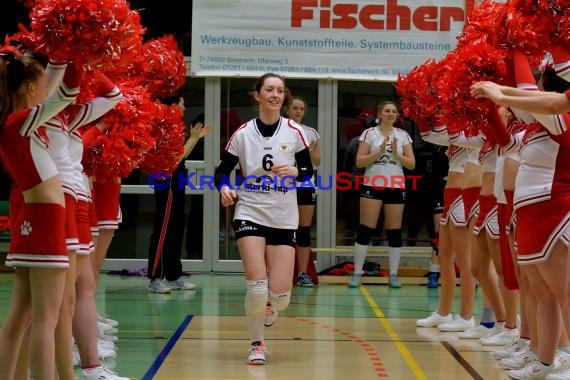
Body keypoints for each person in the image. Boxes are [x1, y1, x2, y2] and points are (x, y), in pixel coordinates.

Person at [214, 73, 313, 365]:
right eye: (269, 89)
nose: (275, 95)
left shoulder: (295, 132)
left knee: (280, 296)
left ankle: (273, 306)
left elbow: (308, 173)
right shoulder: (243, 133)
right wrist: (224, 188)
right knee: (257, 287)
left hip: (283, 215)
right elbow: (222, 171)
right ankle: (257, 344)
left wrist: (296, 173)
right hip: (250, 211)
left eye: (280, 91)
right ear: (257, 95)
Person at [0, 57, 82, 379]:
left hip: (33, 219)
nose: (47, 91)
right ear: (31, 88)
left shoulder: (16, 123)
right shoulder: (18, 121)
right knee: (45, 320)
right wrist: (70, 52)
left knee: (20, 316)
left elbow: (59, 92)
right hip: (45, 222)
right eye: (42, 87)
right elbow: (67, 93)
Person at [147, 97, 212, 293]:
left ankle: (173, 275)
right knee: (164, 228)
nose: (184, 107)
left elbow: (181, 155)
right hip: (165, 180)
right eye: (182, 103)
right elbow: (173, 159)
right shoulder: (161, 127)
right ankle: (155, 278)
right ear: (171, 105)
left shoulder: (174, 126)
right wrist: (193, 138)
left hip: (177, 179)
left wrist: (195, 137)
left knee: (176, 227)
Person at [348, 100, 415, 288]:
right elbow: (360, 162)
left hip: (395, 186)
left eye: (394, 111)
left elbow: (411, 164)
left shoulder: (403, 135)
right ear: (380, 113)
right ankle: (356, 273)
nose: (391, 114)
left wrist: (397, 153)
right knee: (365, 229)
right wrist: (378, 152)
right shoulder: (369, 133)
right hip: (372, 185)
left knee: (394, 231)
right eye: (387, 111)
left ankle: (393, 275)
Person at [285, 95, 320, 287]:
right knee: (285, 228)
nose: (298, 111)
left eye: (301, 109)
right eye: (294, 108)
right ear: (287, 110)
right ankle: (283, 272)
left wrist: (311, 151)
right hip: (285, 185)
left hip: (306, 185)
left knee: (304, 230)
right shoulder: (281, 130)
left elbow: (317, 161)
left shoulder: (311, 132)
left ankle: (302, 273)